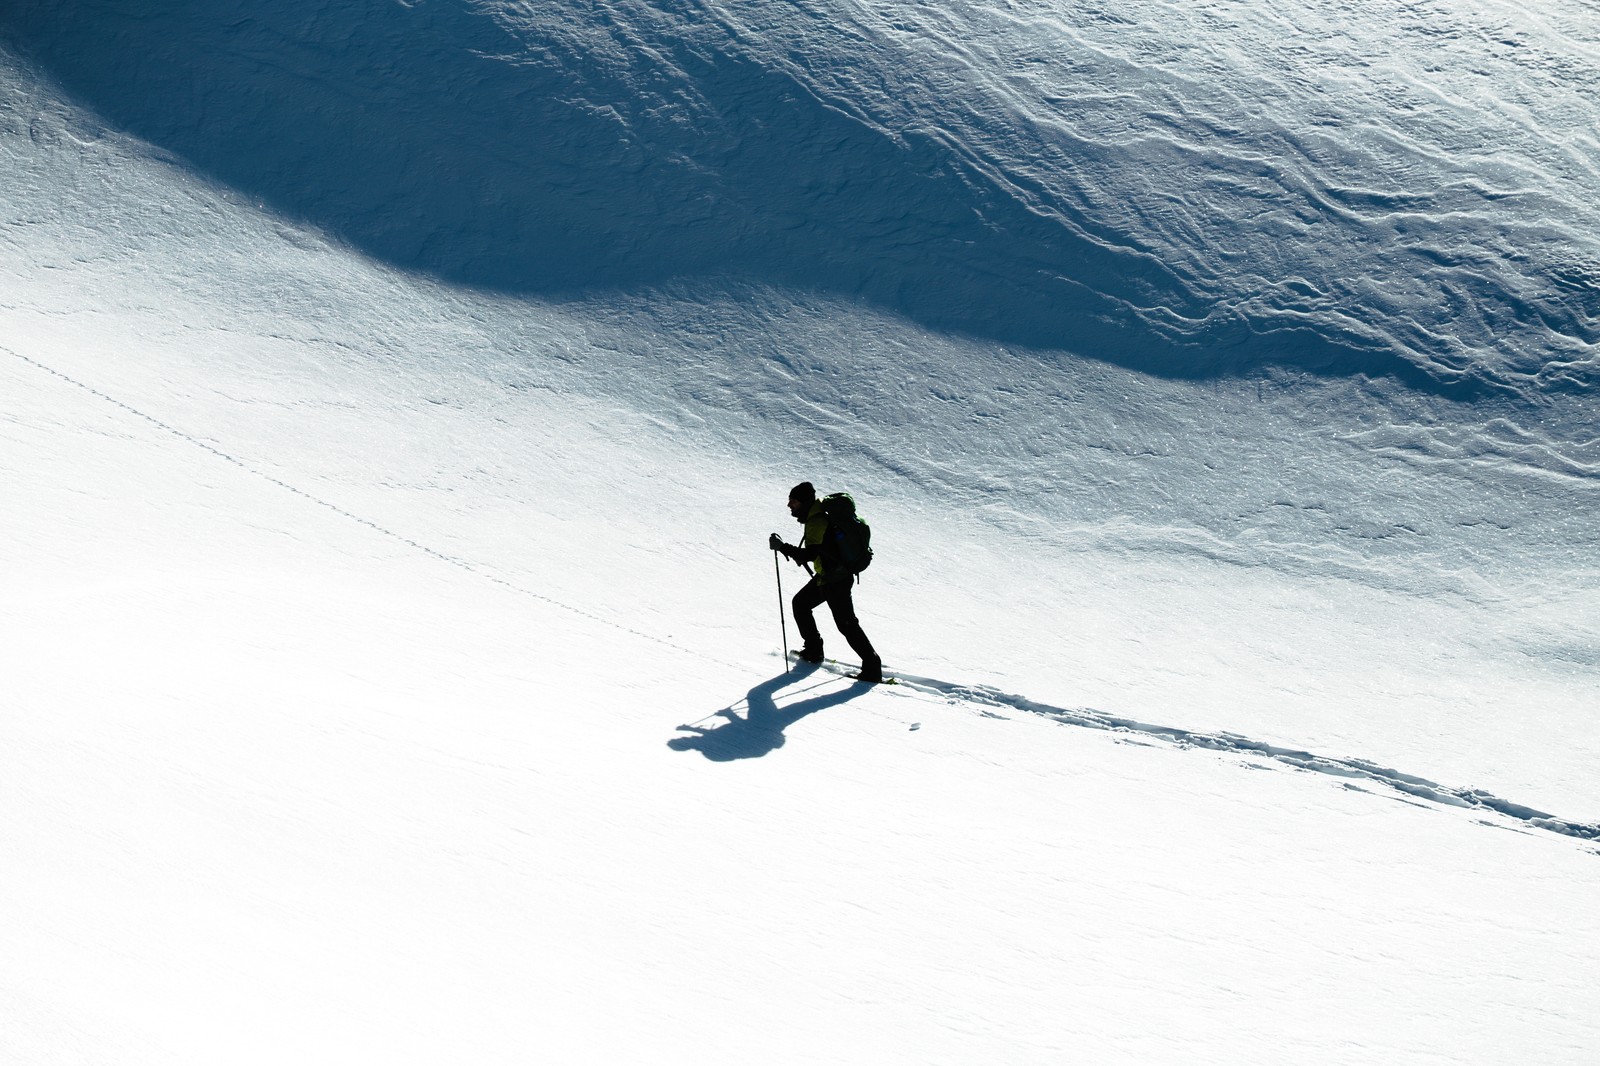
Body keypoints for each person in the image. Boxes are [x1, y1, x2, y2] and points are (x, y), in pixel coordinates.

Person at [768, 481, 884, 683]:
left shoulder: (816, 520)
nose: (789, 505)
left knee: (846, 624)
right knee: (801, 604)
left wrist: (782, 547)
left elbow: (810, 554)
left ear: (803, 502)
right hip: (830, 577)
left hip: (835, 580)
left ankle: (872, 667)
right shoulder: (817, 515)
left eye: (793, 501)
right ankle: (813, 650)